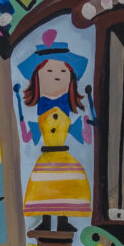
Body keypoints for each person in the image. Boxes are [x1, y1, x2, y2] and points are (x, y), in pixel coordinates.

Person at [17, 29, 93, 234]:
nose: (56, 76)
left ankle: (63, 221)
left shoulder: (66, 109)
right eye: (49, 72)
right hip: (48, 155)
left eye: (62, 72)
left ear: (71, 79)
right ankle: (45, 221)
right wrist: (26, 128)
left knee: (65, 188)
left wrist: (86, 126)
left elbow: (82, 133)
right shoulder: (42, 108)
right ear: (37, 78)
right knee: (45, 190)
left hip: (63, 154)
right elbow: (30, 135)